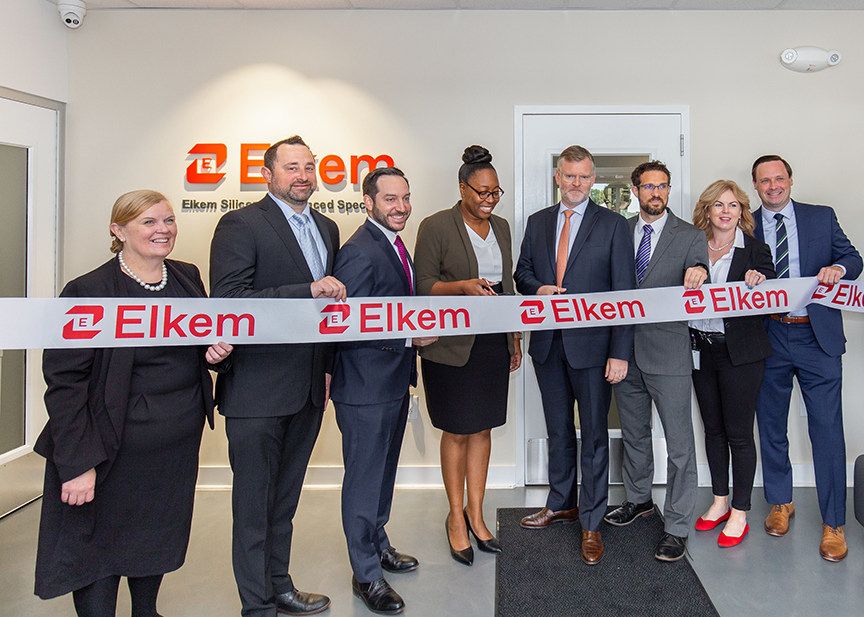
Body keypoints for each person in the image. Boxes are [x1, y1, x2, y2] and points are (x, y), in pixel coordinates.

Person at [34, 190, 233, 617]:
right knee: (97, 550)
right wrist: (77, 462)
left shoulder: (187, 276)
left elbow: (193, 345)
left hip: (171, 450)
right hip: (108, 451)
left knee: (154, 540)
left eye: (168, 220)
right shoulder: (87, 290)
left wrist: (213, 352)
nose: (162, 230)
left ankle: (148, 611)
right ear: (118, 230)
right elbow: (64, 383)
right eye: (148, 222)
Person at [210, 136, 345, 616]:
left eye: (309, 166)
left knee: (283, 505)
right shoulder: (241, 224)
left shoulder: (327, 227)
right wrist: (305, 290)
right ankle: (257, 606)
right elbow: (229, 301)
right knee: (253, 511)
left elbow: (330, 315)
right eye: (292, 167)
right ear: (267, 174)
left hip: (308, 389)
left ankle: (279, 586)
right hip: (256, 390)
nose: (303, 175)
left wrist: (327, 369)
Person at [514, 145, 635, 566]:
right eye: (570, 176)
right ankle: (560, 502)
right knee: (558, 430)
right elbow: (522, 272)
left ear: (593, 178)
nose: (577, 183)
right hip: (548, 346)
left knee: (595, 437)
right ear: (557, 176)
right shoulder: (537, 222)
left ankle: (591, 522)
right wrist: (536, 289)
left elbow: (625, 295)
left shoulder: (614, 226)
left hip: (595, 349)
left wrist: (620, 352)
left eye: (585, 177)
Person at [330, 167, 437, 615]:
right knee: (363, 481)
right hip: (364, 386)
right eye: (390, 199)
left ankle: (378, 543)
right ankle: (366, 574)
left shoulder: (392, 244)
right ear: (368, 202)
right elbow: (345, 326)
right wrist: (410, 338)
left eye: (406, 197)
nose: (401, 207)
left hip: (392, 381)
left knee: (383, 474)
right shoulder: (358, 251)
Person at [414, 145, 522, 567]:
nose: (489, 200)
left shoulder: (503, 227)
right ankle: (455, 519)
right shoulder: (436, 225)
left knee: (483, 429)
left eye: (495, 192)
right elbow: (423, 285)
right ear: (462, 188)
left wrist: (515, 338)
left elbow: (509, 289)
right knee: (457, 430)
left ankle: (476, 516)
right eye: (481, 192)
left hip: (492, 342)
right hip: (451, 346)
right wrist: (461, 287)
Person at [751, 154, 862, 562]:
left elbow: (855, 258)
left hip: (818, 337)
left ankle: (833, 523)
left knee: (828, 430)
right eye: (765, 181)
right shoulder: (745, 224)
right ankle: (781, 502)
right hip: (769, 335)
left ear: (791, 181)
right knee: (771, 423)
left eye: (779, 178)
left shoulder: (821, 217)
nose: (773, 186)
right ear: (756, 186)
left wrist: (838, 267)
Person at [606, 160, 708, 562]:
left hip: (668, 353)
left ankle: (678, 525)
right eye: (648, 186)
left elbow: (701, 271)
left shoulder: (690, 235)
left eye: (662, 186)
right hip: (624, 352)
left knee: (681, 446)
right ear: (636, 191)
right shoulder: (619, 230)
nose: (656, 193)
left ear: (668, 190)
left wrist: (699, 270)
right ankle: (639, 499)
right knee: (634, 435)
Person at [689, 180, 775, 547]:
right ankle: (720, 501)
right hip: (700, 350)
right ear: (707, 210)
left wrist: (762, 280)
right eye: (719, 205)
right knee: (713, 431)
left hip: (741, 354)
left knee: (739, 435)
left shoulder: (756, 250)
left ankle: (740, 511)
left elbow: (774, 292)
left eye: (734, 205)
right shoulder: (691, 246)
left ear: (743, 212)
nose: (726, 211)